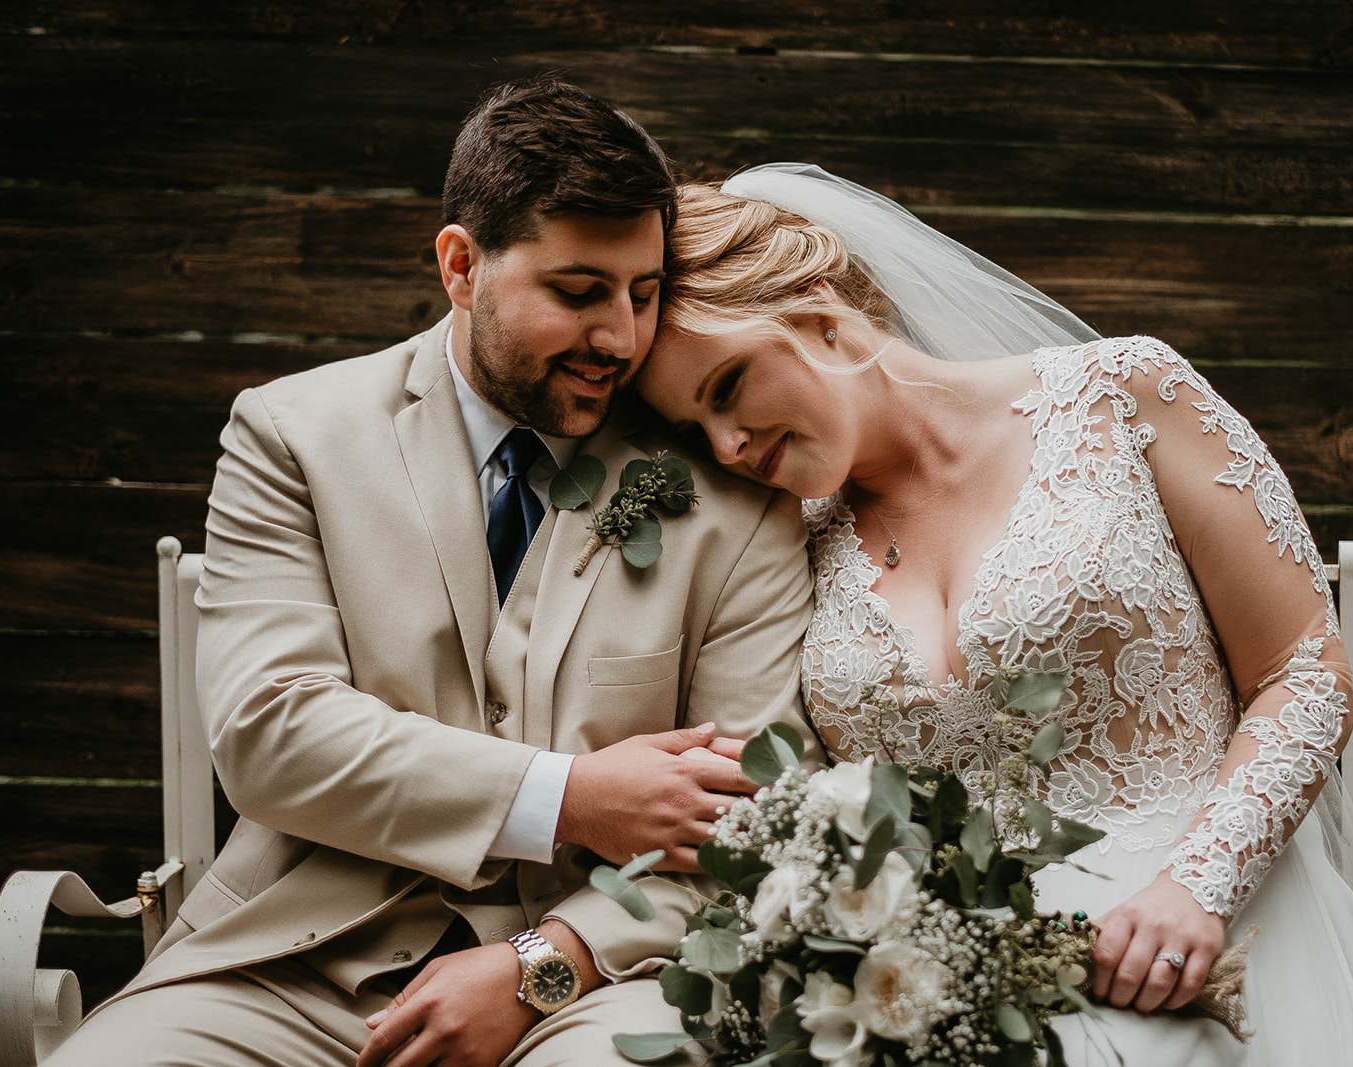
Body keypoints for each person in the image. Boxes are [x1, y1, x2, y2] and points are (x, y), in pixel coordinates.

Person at [46, 82, 816, 1067]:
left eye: (643, 292)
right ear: (460, 266)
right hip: (291, 969)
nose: (620, 337)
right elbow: (272, 730)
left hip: (603, 974)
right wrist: (567, 794)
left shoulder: (733, 493)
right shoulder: (293, 435)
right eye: (578, 293)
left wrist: (545, 960)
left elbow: (744, 825)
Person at [635, 163, 1353, 1065]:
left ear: (817, 309)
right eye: (694, 430)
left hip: (1207, 923)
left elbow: (1303, 671)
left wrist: (1199, 887)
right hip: (956, 990)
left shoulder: (1122, 395)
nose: (728, 446)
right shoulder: (781, 546)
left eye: (729, 385)